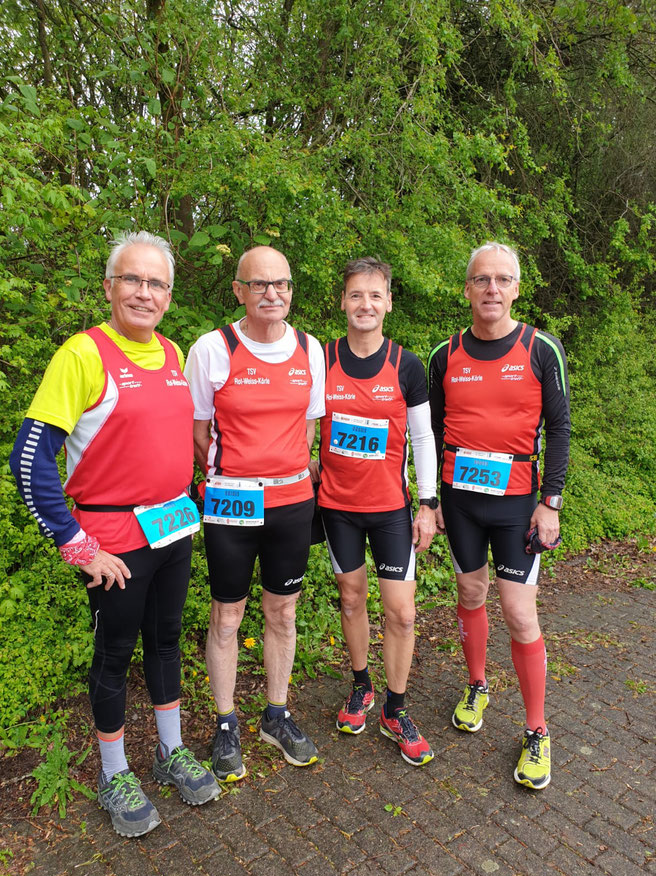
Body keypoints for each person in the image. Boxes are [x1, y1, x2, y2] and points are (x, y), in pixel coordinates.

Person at [9, 232, 220, 838]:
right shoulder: (82, 355)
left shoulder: (175, 353)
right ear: (108, 286)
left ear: (169, 296)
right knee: (114, 654)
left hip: (173, 526)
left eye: (156, 283)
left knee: (167, 641)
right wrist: (77, 544)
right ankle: (113, 771)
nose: (144, 293)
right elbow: (29, 462)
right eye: (132, 279)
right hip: (112, 541)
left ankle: (170, 750)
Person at [428, 242, 570, 790]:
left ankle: (537, 730)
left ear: (516, 289)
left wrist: (550, 502)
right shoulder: (446, 354)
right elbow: (431, 430)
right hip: (461, 503)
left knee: (519, 612)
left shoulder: (540, 349)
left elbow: (558, 430)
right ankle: (478, 684)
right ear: (467, 289)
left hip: (518, 505)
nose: (491, 289)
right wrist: (431, 499)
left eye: (502, 280)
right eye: (481, 280)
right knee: (470, 594)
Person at [185, 245, 325, 781]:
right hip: (231, 502)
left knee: (283, 612)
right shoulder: (212, 349)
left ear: (290, 291)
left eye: (281, 284)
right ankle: (225, 723)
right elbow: (199, 433)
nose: (272, 294)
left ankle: (276, 713)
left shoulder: (310, 349)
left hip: (291, 502)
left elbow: (308, 430)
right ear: (239, 291)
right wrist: (237, 476)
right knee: (227, 615)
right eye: (259, 285)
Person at [313, 257, 438, 766]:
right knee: (351, 598)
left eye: (375, 295)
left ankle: (396, 706)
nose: (365, 304)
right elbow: (301, 423)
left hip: (391, 509)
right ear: (343, 302)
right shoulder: (320, 358)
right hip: (337, 508)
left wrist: (427, 504)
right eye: (355, 295)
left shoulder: (406, 365)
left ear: (388, 303)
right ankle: (361, 686)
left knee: (402, 613)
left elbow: (425, 437)